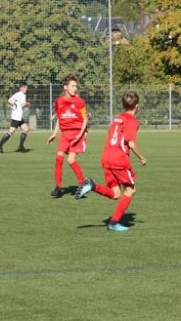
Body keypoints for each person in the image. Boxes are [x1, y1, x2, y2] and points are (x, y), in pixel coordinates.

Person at [75, 90, 148, 232]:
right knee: (130, 190)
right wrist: (142, 157)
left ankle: (92, 186)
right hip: (119, 159)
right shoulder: (132, 121)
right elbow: (131, 143)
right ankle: (114, 223)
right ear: (137, 106)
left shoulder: (117, 119)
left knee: (116, 193)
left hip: (106, 157)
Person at [46, 74, 89, 198]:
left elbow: (85, 119)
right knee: (59, 158)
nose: (75, 88)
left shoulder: (79, 101)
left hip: (77, 133)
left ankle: (83, 184)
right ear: (65, 87)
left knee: (70, 160)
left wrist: (80, 134)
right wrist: (54, 134)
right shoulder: (59, 101)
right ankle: (58, 187)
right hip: (65, 134)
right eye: (72, 86)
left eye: (76, 86)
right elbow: (60, 118)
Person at [0, 81, 30, 153]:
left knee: (25, 129)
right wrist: (28, 103)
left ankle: (21, 146)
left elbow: (9, 100)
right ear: (21, 88)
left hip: (17, 115)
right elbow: (23, 105)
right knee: (11, 131)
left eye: (26, 87)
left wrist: (15, 104)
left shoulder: (17, 94)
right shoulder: (22, 95)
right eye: (25, 88)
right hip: (17, 116)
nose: (26, 89)